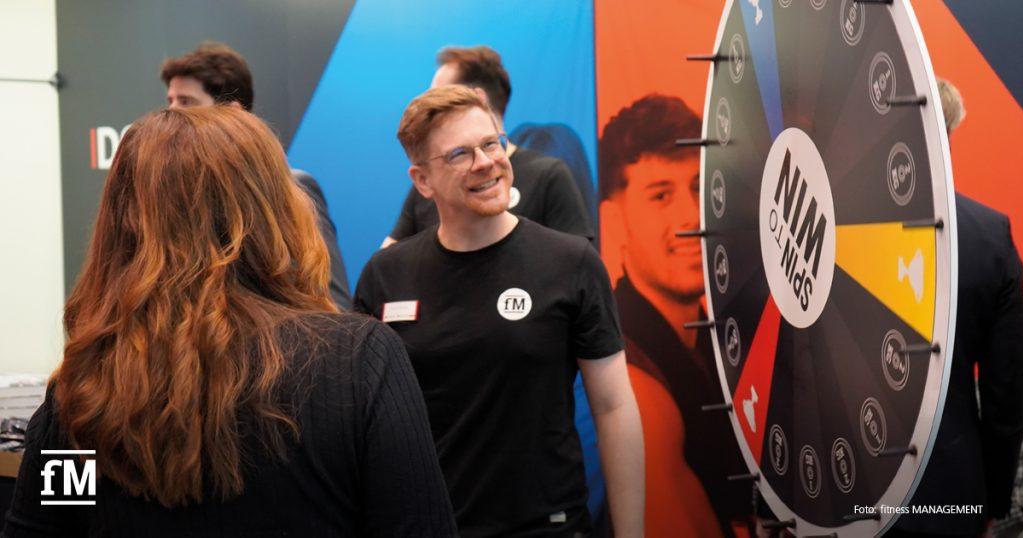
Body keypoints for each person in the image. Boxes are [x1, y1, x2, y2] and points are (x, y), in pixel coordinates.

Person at [3, 107, 456, 537]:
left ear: (123, 223)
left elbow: (48, 528)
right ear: (272, 209)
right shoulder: (356, 361)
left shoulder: (86, 394)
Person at [355, 86, 644, 537]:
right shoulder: (385, 277)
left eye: (491, 143)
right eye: (459, 154)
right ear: (422, 181)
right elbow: (364, 423)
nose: (486, 162)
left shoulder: (570, 262)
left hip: (546, 527)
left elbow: (613, 406)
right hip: (431, 526)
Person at [599, 94, 751, 537]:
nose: (690, 217)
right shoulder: (632, 376)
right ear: (614, 220)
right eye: (660, 195)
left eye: (698, 189)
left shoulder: (711, 333)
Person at [888, 79, 1023, 537]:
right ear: (951, 130)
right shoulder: (990, 236)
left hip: (847, 490)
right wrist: (993, 499)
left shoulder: (840, 228)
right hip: (950, 493)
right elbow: (1007, 395)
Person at [161, 41, 353, 309]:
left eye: (187, 102)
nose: (172, 114)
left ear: (233, 113)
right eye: (170, 101)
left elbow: (334, 303)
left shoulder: (292, 187)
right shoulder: (172, 195)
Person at [381, 45, 593, 247]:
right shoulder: (432, 184)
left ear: (476, 98)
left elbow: (574, 270)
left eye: (439, 96)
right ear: (423, 181)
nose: (482, 165)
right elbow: (392, 262)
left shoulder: (547, 175)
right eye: (458, 156)